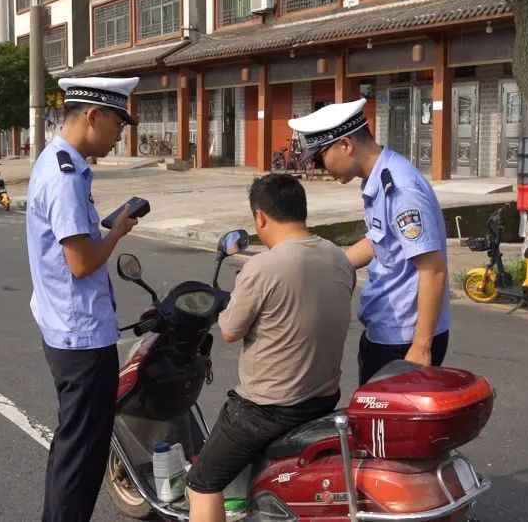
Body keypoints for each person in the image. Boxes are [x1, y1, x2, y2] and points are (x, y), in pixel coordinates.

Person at [187, 174, 356, 522]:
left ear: (260, 217)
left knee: (202, 483)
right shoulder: (338, 257)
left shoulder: (262, 266)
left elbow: (230, 331)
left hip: (265, 410)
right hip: (323, 398)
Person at [25, 76, 140, 522]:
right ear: (92, 116)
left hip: (64, 327)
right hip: (82, 338)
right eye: (118, 125)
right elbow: (81, 262)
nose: (119, 136)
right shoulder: (65, 176)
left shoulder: (55, 160)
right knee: (83, 457)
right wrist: (117, 232)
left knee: (72, 447)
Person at [289, 98, 451, 385]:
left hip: (405, 340)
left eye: (319, 158)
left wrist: (421, 346)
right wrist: (328, 266)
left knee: (388, 415)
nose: (321, 167)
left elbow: (433, 269)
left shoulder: (400, 189)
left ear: (346, 145)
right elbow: (379, 241)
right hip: (387, 331)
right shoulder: (378, 179)